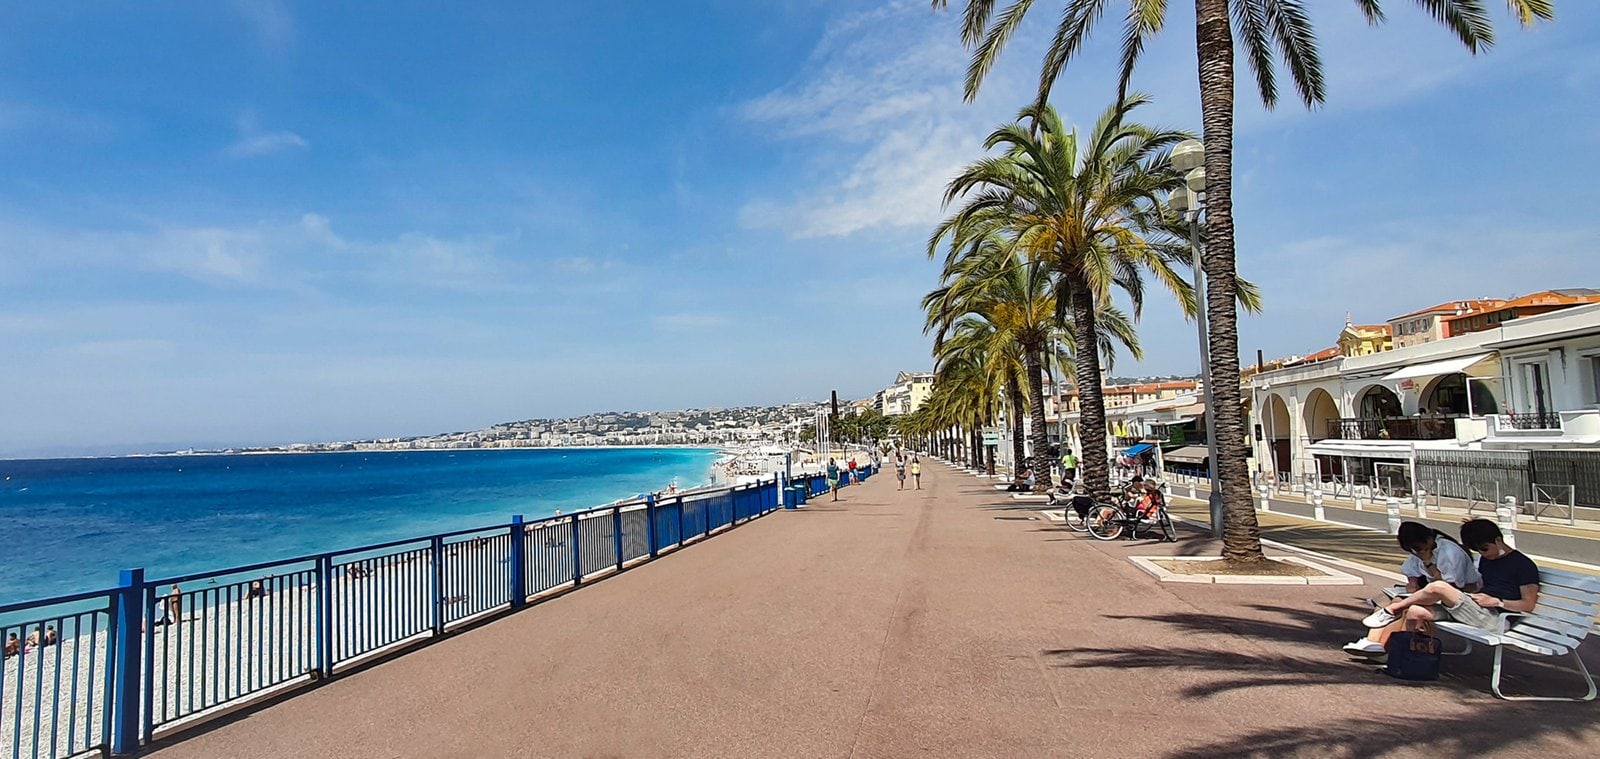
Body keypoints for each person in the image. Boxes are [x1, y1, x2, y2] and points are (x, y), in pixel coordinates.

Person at [1362, 519, 1539, 634]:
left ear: (1499, 540)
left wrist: (1497, 602)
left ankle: (1392, 609)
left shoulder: (1523, 565)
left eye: (1484, 548)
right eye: (1478, 551)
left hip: (1496, 618)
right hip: (1475, 608)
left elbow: (1528, 604)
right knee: (1416, 611)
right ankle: (1404, 657)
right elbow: (1479, 586)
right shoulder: (1488, 561)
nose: (1483, 554)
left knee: (1439, 587)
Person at [1344, 522, 1481, 656]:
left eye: (1419, 549)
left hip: (1456, 598)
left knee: (1403, 605)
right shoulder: (1421, 550)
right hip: (1434, 593)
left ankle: (1386, 647)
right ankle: (1373, 642)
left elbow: (1446, 586)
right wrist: (1412, 582)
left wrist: (1428, 562)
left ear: (1428, 539)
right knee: (1387, 597)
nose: (1417, 553)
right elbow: (1411, 569)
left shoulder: (1450, 552)